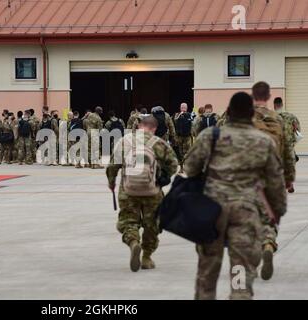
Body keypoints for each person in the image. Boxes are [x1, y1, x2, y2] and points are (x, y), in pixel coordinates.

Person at [184, 92, 287, 300]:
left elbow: (190, 168)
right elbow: (276, 182)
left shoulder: (210, 136)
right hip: (245, 211)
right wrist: (277, 210)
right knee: (240, 270)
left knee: (207, 271)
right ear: (251, 114)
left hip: (212, 212)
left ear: (228, 113)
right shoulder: (263, 141)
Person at [106, 115, 178, 272]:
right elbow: (173, 164)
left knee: (128, 221)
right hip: (152, 191)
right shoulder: (159, 143)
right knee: (152, 223)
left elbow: (112, 166)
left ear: (139, 126)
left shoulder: (125, 141)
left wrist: (111, 182)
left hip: (128, 190)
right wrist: (163, 179)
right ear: (154, 128)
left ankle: (133, 242)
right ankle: (146, 257)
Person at [251, 82, 296, 280]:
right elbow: (288, 152)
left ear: (253, 96)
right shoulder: (279, 120)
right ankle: (268, 242)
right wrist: (289, 180)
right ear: (268, 97)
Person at [274, 97, 301, 166]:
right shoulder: (292, 117)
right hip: (289, 150)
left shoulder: (271, 117)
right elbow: (298, 133)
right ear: (282, 104)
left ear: (274, 105)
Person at [174, 103, 193, 169]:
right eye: (182, 107)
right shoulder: (177, 115)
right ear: (180, 108)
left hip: (187, 137)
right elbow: (175, 121)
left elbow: (193, 124)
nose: (183, 108)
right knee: (180, 152)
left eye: (184, 107)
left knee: (186, 152)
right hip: (179, 136)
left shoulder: (190, 115)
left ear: (187, 108)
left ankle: (185, 166)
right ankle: (182, 167)